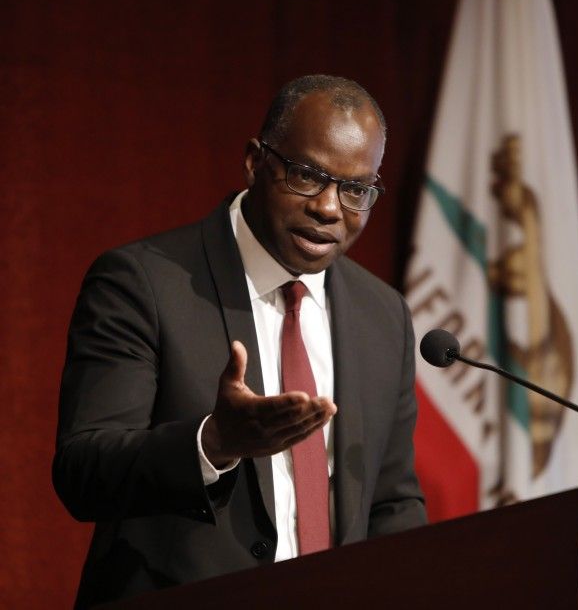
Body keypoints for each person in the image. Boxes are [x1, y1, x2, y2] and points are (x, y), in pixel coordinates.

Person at [53, 74, 426, 608]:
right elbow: (83, 471)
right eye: (307, 176)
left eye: (355, 190)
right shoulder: (143, 283)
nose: (328, 208)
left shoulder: (383, 315)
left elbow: (392, 504)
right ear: (255, 162)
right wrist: (212, 443)